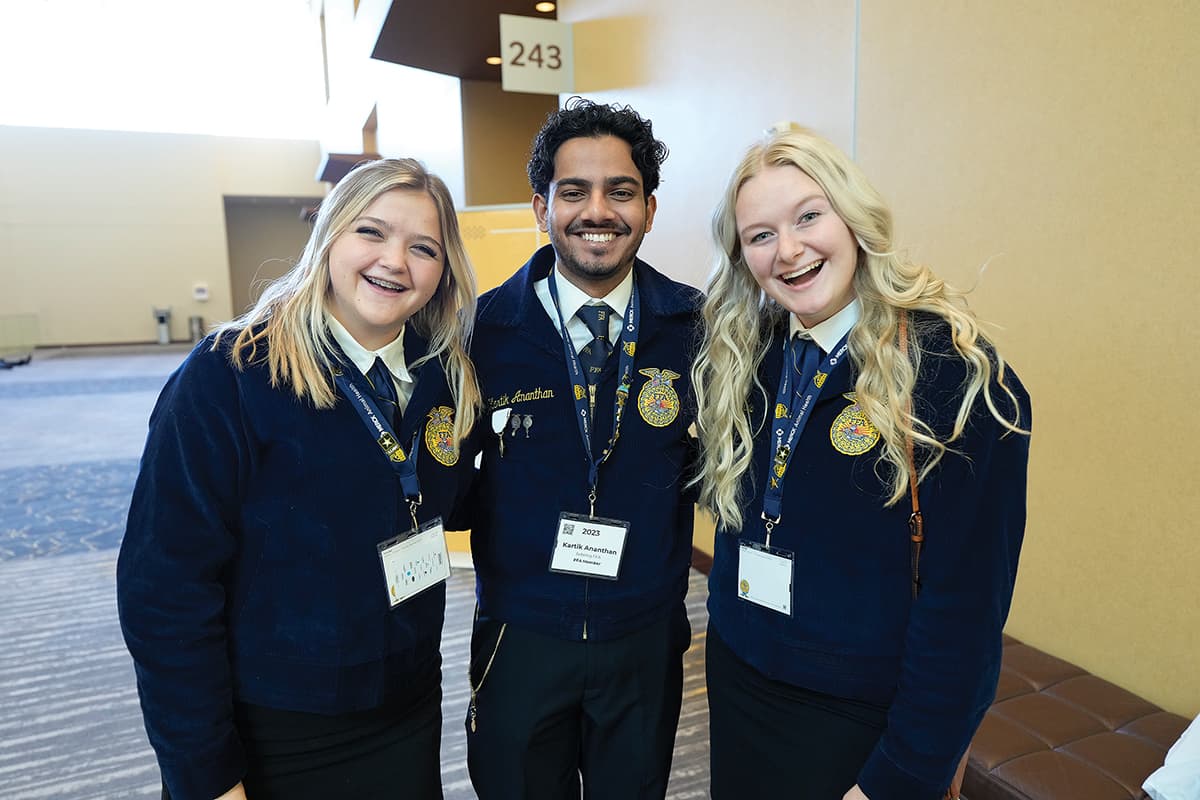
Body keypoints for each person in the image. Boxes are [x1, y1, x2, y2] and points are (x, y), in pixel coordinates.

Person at [116, 158, 480, 800]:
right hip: (277, 724)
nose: (395, 261)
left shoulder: (442, 374)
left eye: (423, 247)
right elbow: (163, 589)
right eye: (371, 232)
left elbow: (445, 500)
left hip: (408, 701)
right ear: (329, 236)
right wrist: (206, 773)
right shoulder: (231, 374)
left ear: (443, 268)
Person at [692, 123, 1032, 800]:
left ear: (853, 218)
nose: (788, 251)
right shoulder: (741, 356)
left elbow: (963, 616)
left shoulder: (954, 378)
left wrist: (900, 777)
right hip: (740, 683)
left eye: (808, 217)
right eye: (761, 235)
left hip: (857, 719)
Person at [460, 97, 702, 799]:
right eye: (574, 191)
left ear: (649, 210)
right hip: (520, 632)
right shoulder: (482, 334)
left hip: (643, 635)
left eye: (621, 191)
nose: (598, 210)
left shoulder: (699, 329)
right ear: (542, 207)